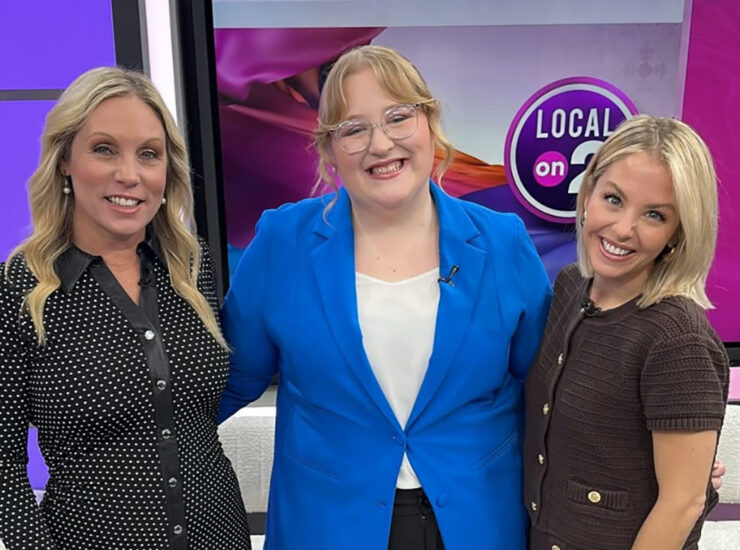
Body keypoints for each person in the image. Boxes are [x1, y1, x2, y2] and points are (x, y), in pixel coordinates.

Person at [218, 45, 552, 550]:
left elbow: (549, 390)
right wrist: (132, 454)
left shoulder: (503, 244)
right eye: (354, 129)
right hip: (328, 527)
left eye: (398, 117)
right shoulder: (282, 242)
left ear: (430, 123)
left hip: (477, 522)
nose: (380, 143)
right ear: (329, 149)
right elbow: (229, 380)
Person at [0, 67, 251, 549]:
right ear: (64, 160)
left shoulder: (192, 267)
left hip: (219, 536)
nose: (130, 175)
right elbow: (3, 464)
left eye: (149, 154)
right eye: (104, 149)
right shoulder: (19, 290)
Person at [523, 115, 730, 550]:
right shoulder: (569, 286)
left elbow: (683, 503)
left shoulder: (678, 340)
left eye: (654, 215)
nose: (622, 229)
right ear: (587, 195)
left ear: (677, 233)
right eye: (613, 199)